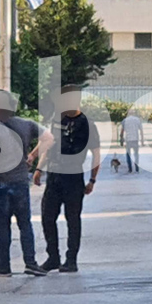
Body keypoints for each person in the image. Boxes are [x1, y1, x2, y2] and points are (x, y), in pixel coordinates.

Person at [0, 88, 54, 277]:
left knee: (1, 226)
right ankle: (31, 263)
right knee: (25, 224)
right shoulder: (27, 125)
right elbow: (49, 138)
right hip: (20, 181)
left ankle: (3, 266)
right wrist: (32, 156)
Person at [34, 85, 101, 273]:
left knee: (73, 219)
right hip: (54, 175)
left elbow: (96, 154)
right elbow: (48, 145)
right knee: (47, 217)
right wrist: (39, 168)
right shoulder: (57, 120)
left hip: (73, 176)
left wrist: (92, 180)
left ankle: (71, 259)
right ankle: (53, 257)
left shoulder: (87, 124)